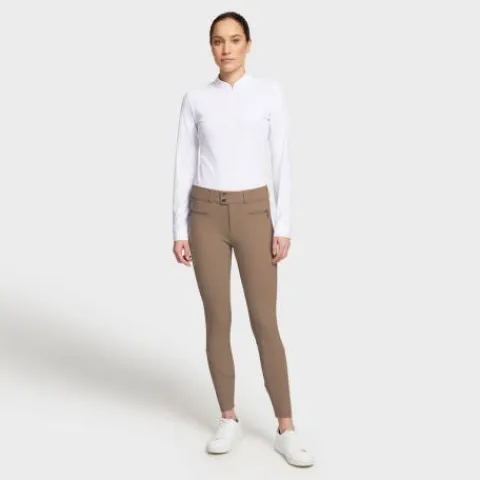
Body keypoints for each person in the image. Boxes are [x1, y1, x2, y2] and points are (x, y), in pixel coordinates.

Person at [171, 11, 314, 468]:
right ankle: (228, 417)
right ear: (210, 47)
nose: (226, 49)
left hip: (255, 214)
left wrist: (283, 225)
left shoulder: (269, 93)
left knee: (264, 321)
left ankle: (286, 428)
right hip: (205, 215)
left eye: (234, 40)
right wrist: (178, 229)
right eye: (218, 41)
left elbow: (282, 160)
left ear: (248, 44)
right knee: (217, 318)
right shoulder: (196, 99)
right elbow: (183, 164)